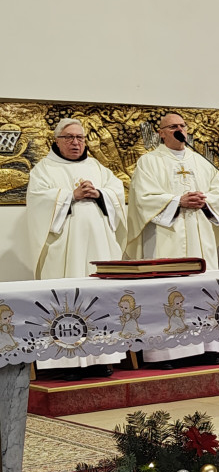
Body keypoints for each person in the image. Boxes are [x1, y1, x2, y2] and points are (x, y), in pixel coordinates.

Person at [126, 111, 219, 368]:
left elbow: (218, 191)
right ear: (160, 133)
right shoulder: (149, 162)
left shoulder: (201, 161)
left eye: (182, 125)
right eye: (172, 126)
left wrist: (205, 201)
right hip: (165, 236)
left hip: (199, 233)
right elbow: (143, 198)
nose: (179, 129)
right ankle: (167, 353)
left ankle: (208, 347)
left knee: (204, 289)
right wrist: (177, 201)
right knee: (167, 291)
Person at [27, 118, 127, 379]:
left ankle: (103, 357)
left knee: (99, 299)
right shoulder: (44, 169)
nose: (75, 142)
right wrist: (70, 196)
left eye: (80, 138)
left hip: (99, 247)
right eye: (69, 137)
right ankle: (65, 362)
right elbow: (38, 201)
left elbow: (116, 192)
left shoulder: (97, 167)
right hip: (65, 249)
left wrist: (100, 194)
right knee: (67, 300)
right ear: (57, 141)